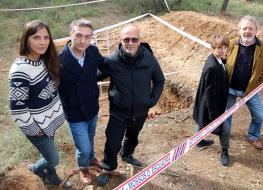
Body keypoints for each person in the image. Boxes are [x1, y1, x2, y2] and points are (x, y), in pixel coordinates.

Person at [95, 25, 165, 186]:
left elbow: (160, 80)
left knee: (132, 137)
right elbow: (94, 77)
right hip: (119, 112)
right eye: (126, 39)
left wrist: (152, 101)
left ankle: (127, 154)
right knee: (112, 142)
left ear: (140, 41)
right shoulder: (112, 61)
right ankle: (108, 167)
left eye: (134, 39)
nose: (130, 43)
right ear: (121, 41)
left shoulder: (149, 59)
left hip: (140, 111)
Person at [8, 20, 71, 188]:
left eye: (46, 37)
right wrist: (35, 129)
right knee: (53, 158)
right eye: (36, 37)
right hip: (37, 127)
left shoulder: (43, 60)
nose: (42, 42)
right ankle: (36, 169)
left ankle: (52, 177)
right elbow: (17, 109)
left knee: (48, 153)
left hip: (48, 120)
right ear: (26, 39)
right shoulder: (20, 70)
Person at [58, 19, 104, 185]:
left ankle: (91, 159)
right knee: (83, 147)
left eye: (87, 36)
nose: (83, 40)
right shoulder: (59, 61)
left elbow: (105, 67)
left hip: (92, 107)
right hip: (75, 113)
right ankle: (83, 168)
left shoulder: (92, 52)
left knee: (90, 137)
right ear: (71, 35)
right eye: (79, 35)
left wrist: (93, 80)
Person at [225, 15, 263, 153]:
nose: (247, 31)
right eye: (244, 28)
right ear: (239, 29)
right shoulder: (231, 44)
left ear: (256, 31)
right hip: (230, 89)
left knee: (259, 116)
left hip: (251, 91)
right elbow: (222, 64)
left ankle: (253, 136)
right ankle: (226, 134)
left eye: (251, 28)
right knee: (226, 114)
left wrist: (256, 85)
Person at [192, 35, 229, 165]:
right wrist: (215, 115)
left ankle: (198, 141)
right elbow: (210, 94)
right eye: (219, 48)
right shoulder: (212, 67)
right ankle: (224, 152)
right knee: (224, 128)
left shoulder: (216, 59)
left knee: (202, 119)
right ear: (213, 48)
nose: (223, 50)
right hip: (211, 103)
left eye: (225, 47)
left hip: (207, 102)